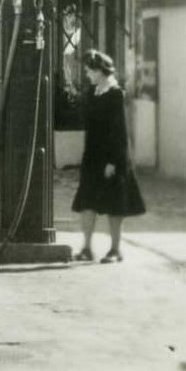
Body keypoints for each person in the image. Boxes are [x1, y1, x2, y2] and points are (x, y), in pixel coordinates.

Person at [71, 50, 146, 262]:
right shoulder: (93, 92)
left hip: (112, 158)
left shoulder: (115, 94)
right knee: (87, 201)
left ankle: (115, 250)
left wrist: (113, 162)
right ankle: (86, 248)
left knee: (115, 204)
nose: (87, 74)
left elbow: (120, 131)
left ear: (99, 71)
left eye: (89, 71)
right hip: (93, 156)